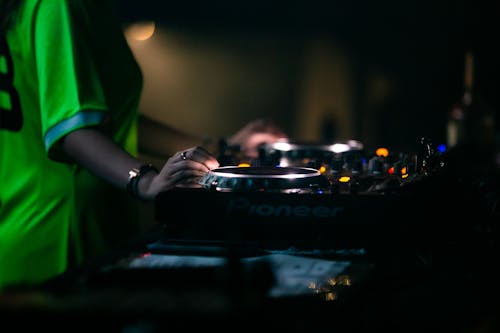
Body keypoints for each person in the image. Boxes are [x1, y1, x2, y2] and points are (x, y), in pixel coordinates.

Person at [0, 0, 287, 291]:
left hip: (22, 228)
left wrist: (222, 146)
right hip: (64, 237)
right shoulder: (60, 4)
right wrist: (146, 182)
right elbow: (75, 132)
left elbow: (105, 115)